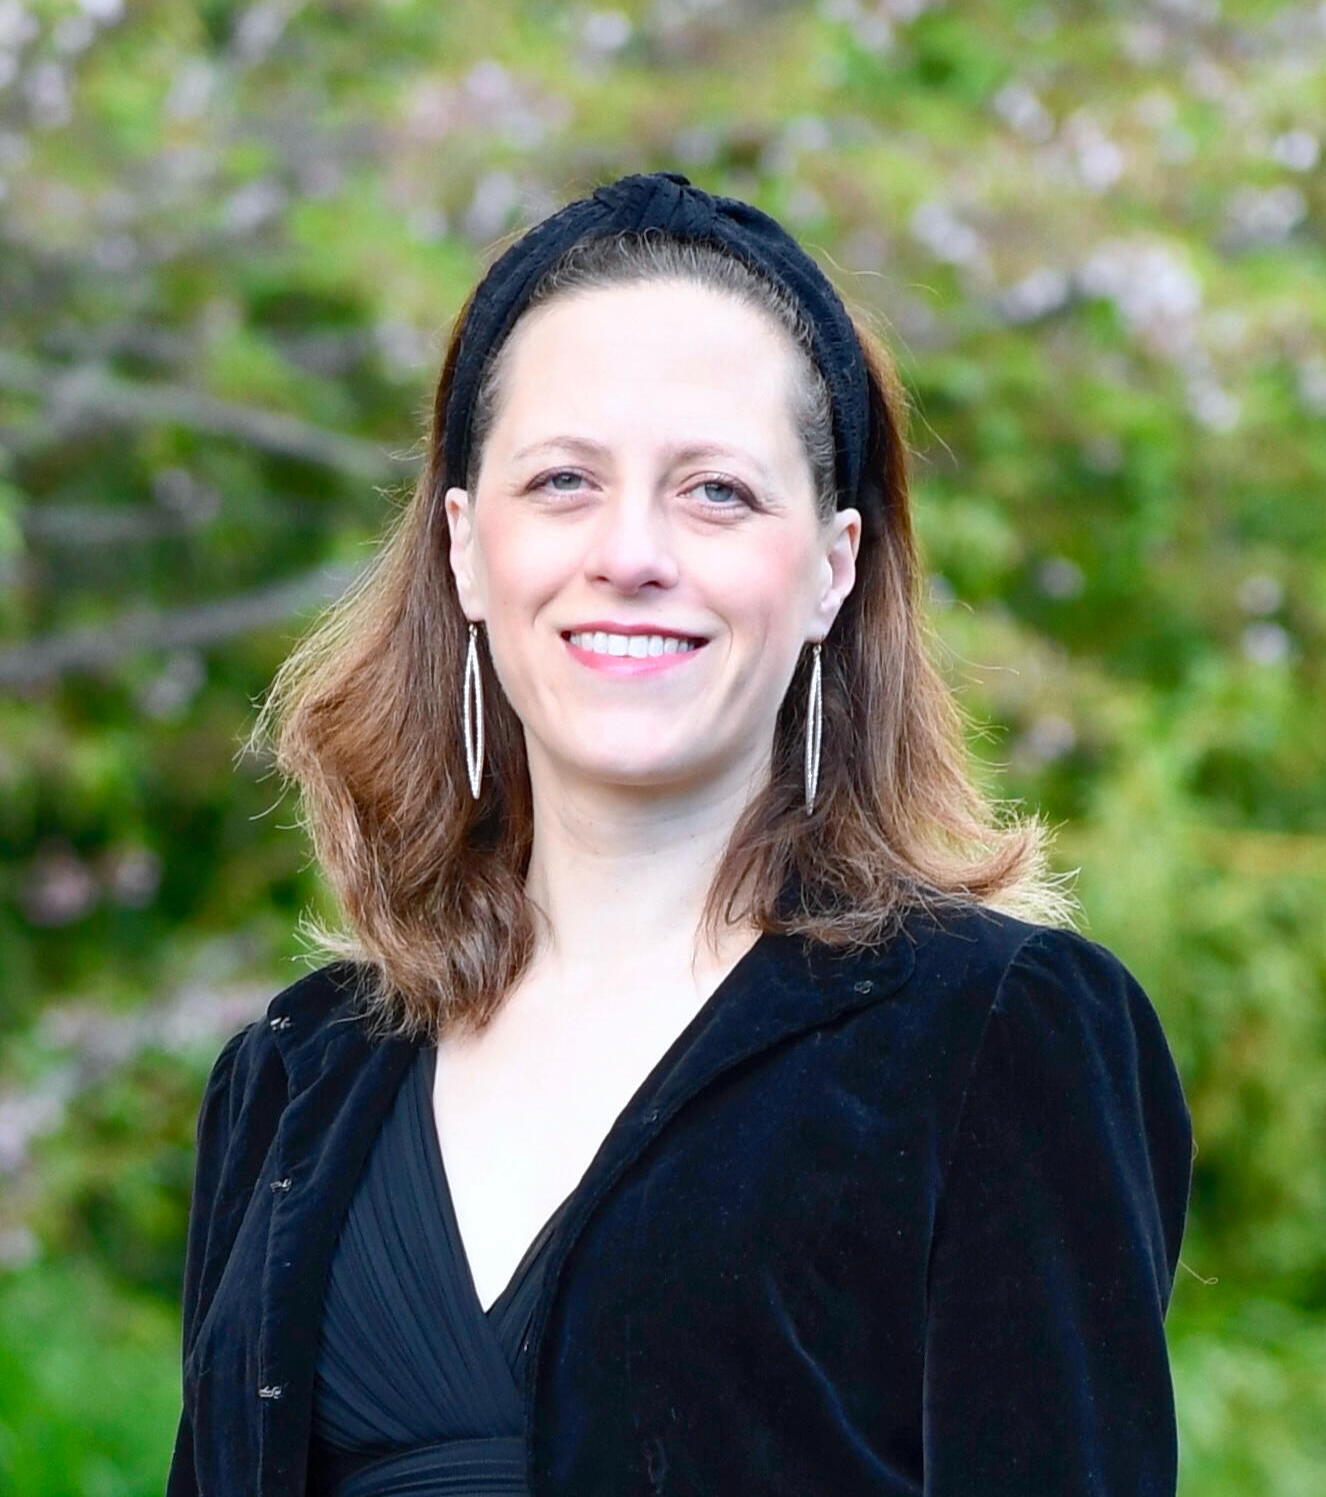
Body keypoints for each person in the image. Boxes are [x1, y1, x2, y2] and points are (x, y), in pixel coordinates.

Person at [166, 171, 1193, 1497]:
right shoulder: (295, 1075)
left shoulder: (997, 1035)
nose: (632, 553)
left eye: (715, 491)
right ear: (466, 548)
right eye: (563, 481)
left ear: (831, 568)